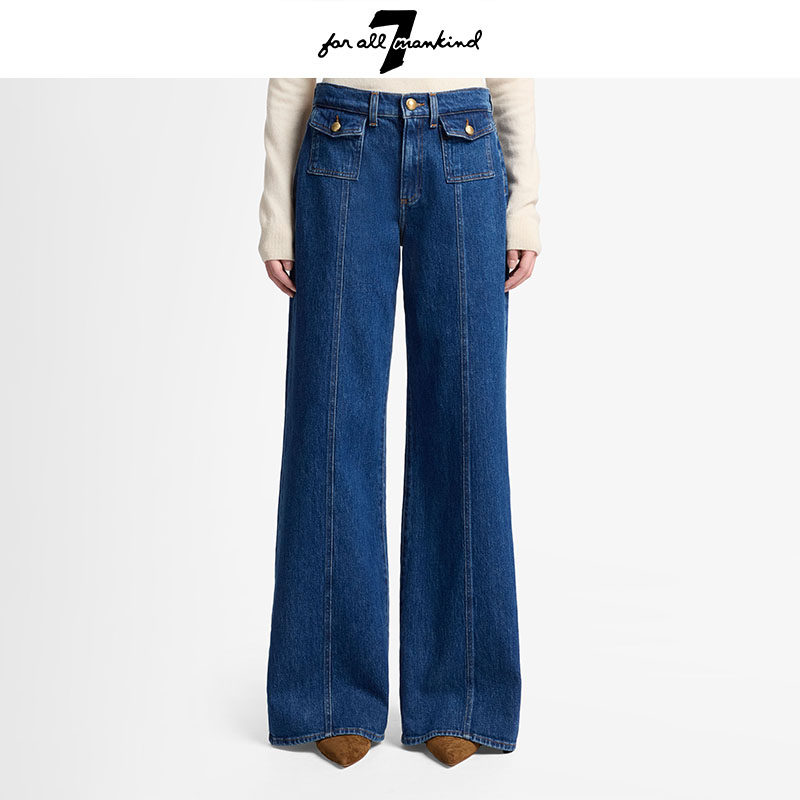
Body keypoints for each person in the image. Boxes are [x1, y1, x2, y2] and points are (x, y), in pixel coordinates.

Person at [258, 78, 541, 767]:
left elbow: (510, 66)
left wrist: (524, 208)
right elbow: (291, 69)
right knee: (330, 419)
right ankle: (329, 692)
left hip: (464, 147)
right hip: (342, 143)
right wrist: (277, 216)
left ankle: (460, 695)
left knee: (466, 425)